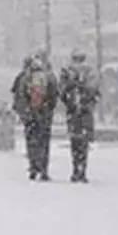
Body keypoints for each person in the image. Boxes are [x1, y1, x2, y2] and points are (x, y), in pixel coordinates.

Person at [60, 49, 101, 183]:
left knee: (74, 142)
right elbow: (95, 92)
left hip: (73, 112)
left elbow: (62, 92)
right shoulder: (91, 72)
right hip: (86, 112)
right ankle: (82, 170)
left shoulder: (67, 71)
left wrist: (69, 101)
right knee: (84, 143)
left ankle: (75, 169)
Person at [17, 53, 59, 181]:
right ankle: (44, 169)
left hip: (30, 115)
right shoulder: (49, 77)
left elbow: (20, 95)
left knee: (31, 141)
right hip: (44, 114)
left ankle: (33, 167)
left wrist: (25, 111)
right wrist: (48, 109)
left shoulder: (26, 78)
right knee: (44, 142)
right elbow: (54, 95)